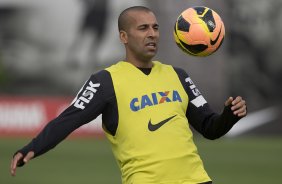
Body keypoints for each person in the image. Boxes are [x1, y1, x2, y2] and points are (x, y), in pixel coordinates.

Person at [10, 6, 247, 184]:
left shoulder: (178, 75)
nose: (152, 34)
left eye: (155, 27)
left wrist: (230, 115)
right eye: (143, 28)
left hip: (197, 180)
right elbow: (68, 119)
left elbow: (210, 128)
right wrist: (33, 147)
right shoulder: (105, 81)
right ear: (124, 36)